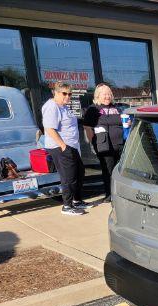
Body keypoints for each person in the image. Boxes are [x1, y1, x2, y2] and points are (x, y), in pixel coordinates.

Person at [42, 82, 92, 216]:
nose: (68, 96)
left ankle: (76, 200)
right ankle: (67, 205)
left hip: (72, 146)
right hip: (61, 147)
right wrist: (63, 146)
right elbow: (49, 128)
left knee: (79, 172)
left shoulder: (63, 107)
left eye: (70, 94)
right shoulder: (52, 106)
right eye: (64, 93)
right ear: (56, 93)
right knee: (68, 176)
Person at [83, 84, 124, 202]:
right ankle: (110, 195)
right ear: (98, 96)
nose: (107, 96)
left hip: (120, 144)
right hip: (104, 145)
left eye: (109, 94)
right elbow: (87, 127)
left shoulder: (117, 108)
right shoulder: (93, 109)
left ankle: (120, 193)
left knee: (120, 171)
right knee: (108, 170)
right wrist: (94, 143)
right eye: (104, 94)